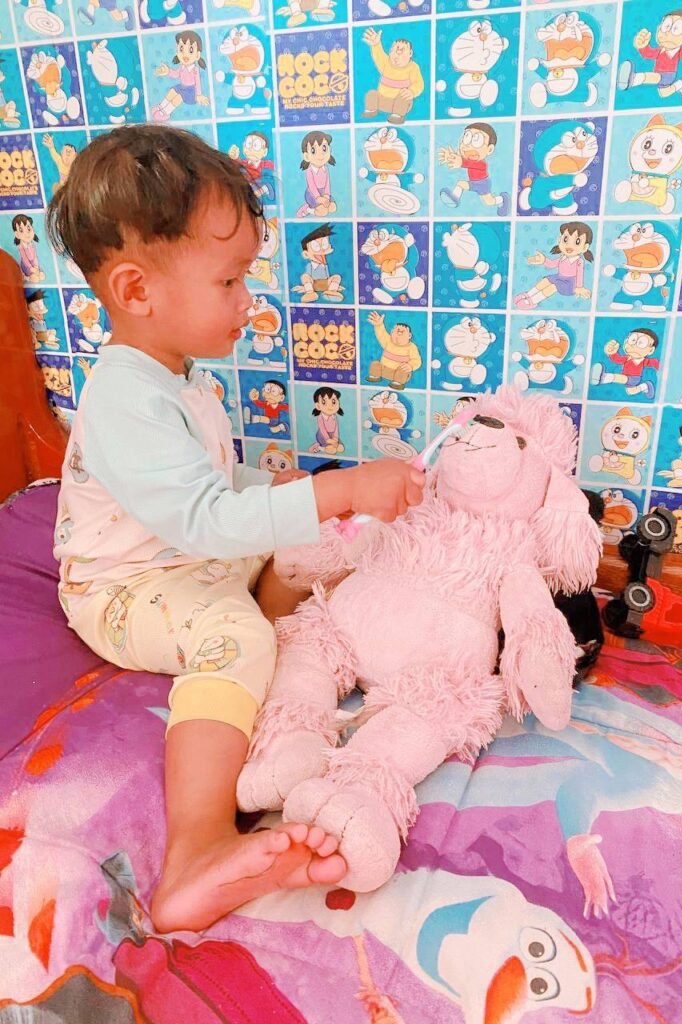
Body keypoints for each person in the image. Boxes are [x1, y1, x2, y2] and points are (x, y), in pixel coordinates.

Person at [46, 125, 425, 935]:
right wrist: (333, 489)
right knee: (236, 638)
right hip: (122, 589)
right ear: (136, 290)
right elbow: (207, 518)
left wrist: (283, 492)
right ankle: (197, 848)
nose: (248, 301)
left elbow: (212, 487)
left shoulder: (177, 380)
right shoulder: (124, 398)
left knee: (304, 543)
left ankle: (292, 616)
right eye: (229, 279)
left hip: (184, 556)